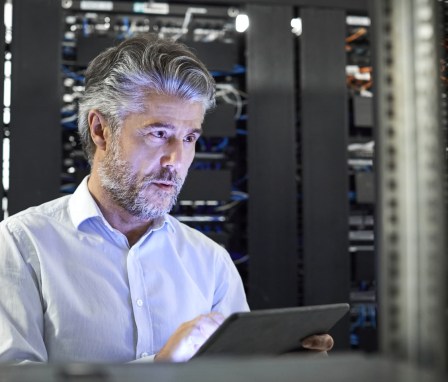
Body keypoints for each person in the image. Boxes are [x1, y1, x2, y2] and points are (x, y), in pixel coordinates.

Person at [0, 35, 333, 363]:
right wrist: (160, 369)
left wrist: (280, 366)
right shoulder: (20, 245)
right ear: (101, 130)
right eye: (159, 134)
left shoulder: (210, 262)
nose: (176, 159)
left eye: (189, 138)